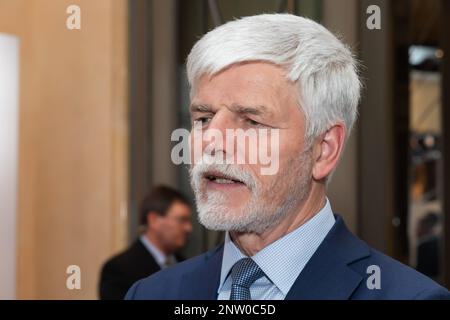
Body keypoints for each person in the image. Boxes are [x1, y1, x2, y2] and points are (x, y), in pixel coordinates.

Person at [126, 14, 450, 300]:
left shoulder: (410, 296)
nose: (211, 140)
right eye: (203, 118)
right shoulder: (151, 293)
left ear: (324, 149)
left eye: (252, 121)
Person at [99, 185, 192, 299]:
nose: (188, 228)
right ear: (153, 220)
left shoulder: (186, 264)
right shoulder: (118, 269)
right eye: (181, 220)